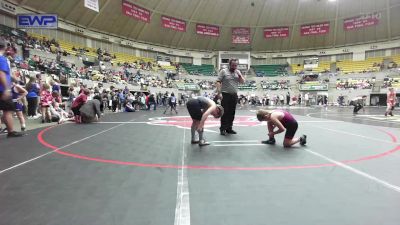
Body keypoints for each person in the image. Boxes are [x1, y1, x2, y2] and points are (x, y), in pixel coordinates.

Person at [0, 39, 23, 137]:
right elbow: (1, 73)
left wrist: (14, 78)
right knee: (8, 110)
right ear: (4, 47)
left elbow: (6, 74)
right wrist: (7, 89)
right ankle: (11, 131)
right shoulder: (2, 59)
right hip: (2, 89)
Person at [216, 59, 245, 135]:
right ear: (229, 64)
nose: (234, 67)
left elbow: (242, 82)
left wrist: (239, 75)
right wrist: (219, 93)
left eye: (236, 65)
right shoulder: (223, 71)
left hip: (234, 95)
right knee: (224, 112)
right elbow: (218, 82)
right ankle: (222, 129)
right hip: (225, 94)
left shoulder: (237, 72)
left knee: (232, 112)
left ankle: (229, 128)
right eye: (233, 65)